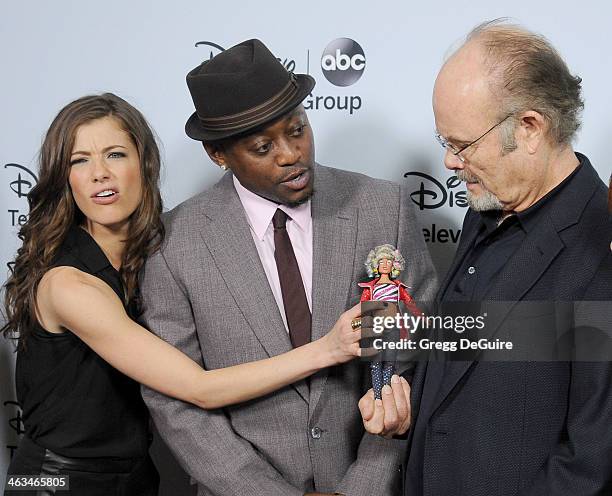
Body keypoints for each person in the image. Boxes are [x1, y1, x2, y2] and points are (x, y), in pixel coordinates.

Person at [1, 93, 381, 496]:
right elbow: (198, 387)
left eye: (114, 155)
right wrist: (328, 348)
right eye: (80, 160)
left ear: (143, 164)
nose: (99, 174)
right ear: (65, 177)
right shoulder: (69, 285)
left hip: (132, 478)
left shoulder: (152, 257)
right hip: (54, 481)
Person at [139, 39, 438, 496]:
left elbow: (413, 354)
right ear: (218, 155)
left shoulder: (383, 208)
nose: (290, 154)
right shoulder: (173, 244)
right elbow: (178, 404)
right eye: (263, 146)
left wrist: (364, 484)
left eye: (297, 129)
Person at [358, 19, 612, 495]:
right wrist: (417, 405)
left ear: (530, 128)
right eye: (445, 143)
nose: (450, 162)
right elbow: (474, 366)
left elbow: (589, 466)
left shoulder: (601, 248)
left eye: (462, 144)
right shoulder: (486, 208)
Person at [358, 244, 421, 398]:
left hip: (393, 327)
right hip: (376, 328)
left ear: (394, 265)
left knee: (390, 362)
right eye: (381, 262)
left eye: (389, 261)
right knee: (375, 363)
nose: (385, 264)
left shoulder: (397, 287)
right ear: (375, 265)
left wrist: (422, 317)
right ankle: (378, 395)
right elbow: (361, 308)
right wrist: (358, 324)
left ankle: (387, 393)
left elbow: (409, 303)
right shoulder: (370, 288)